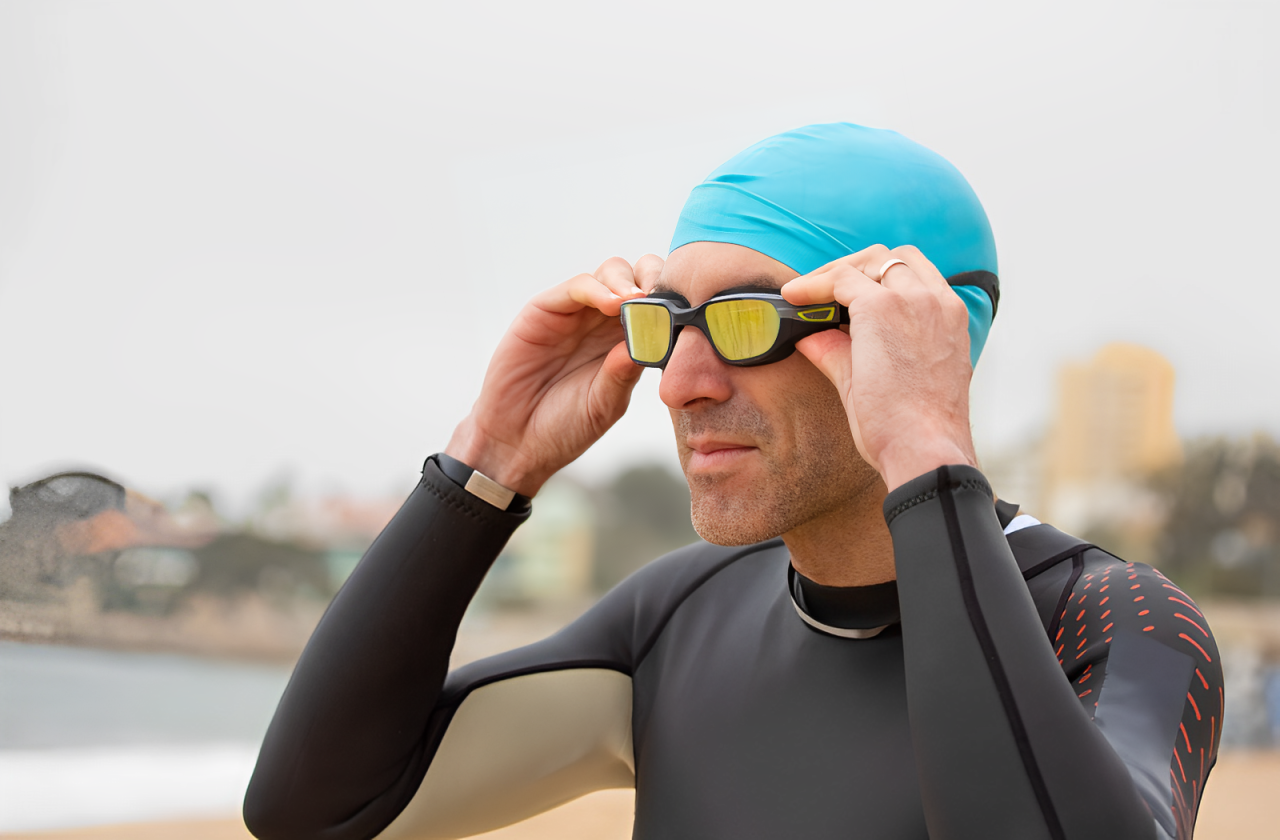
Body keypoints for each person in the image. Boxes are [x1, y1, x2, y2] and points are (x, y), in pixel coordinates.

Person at [243, 124, 1222, 840]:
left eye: (747, 322)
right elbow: (316, 808)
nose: (679, 385)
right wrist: (488, 459)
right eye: (667, 324)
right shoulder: (678, 616)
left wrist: (925, 448)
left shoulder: (1117, 623)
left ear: (922, 339)